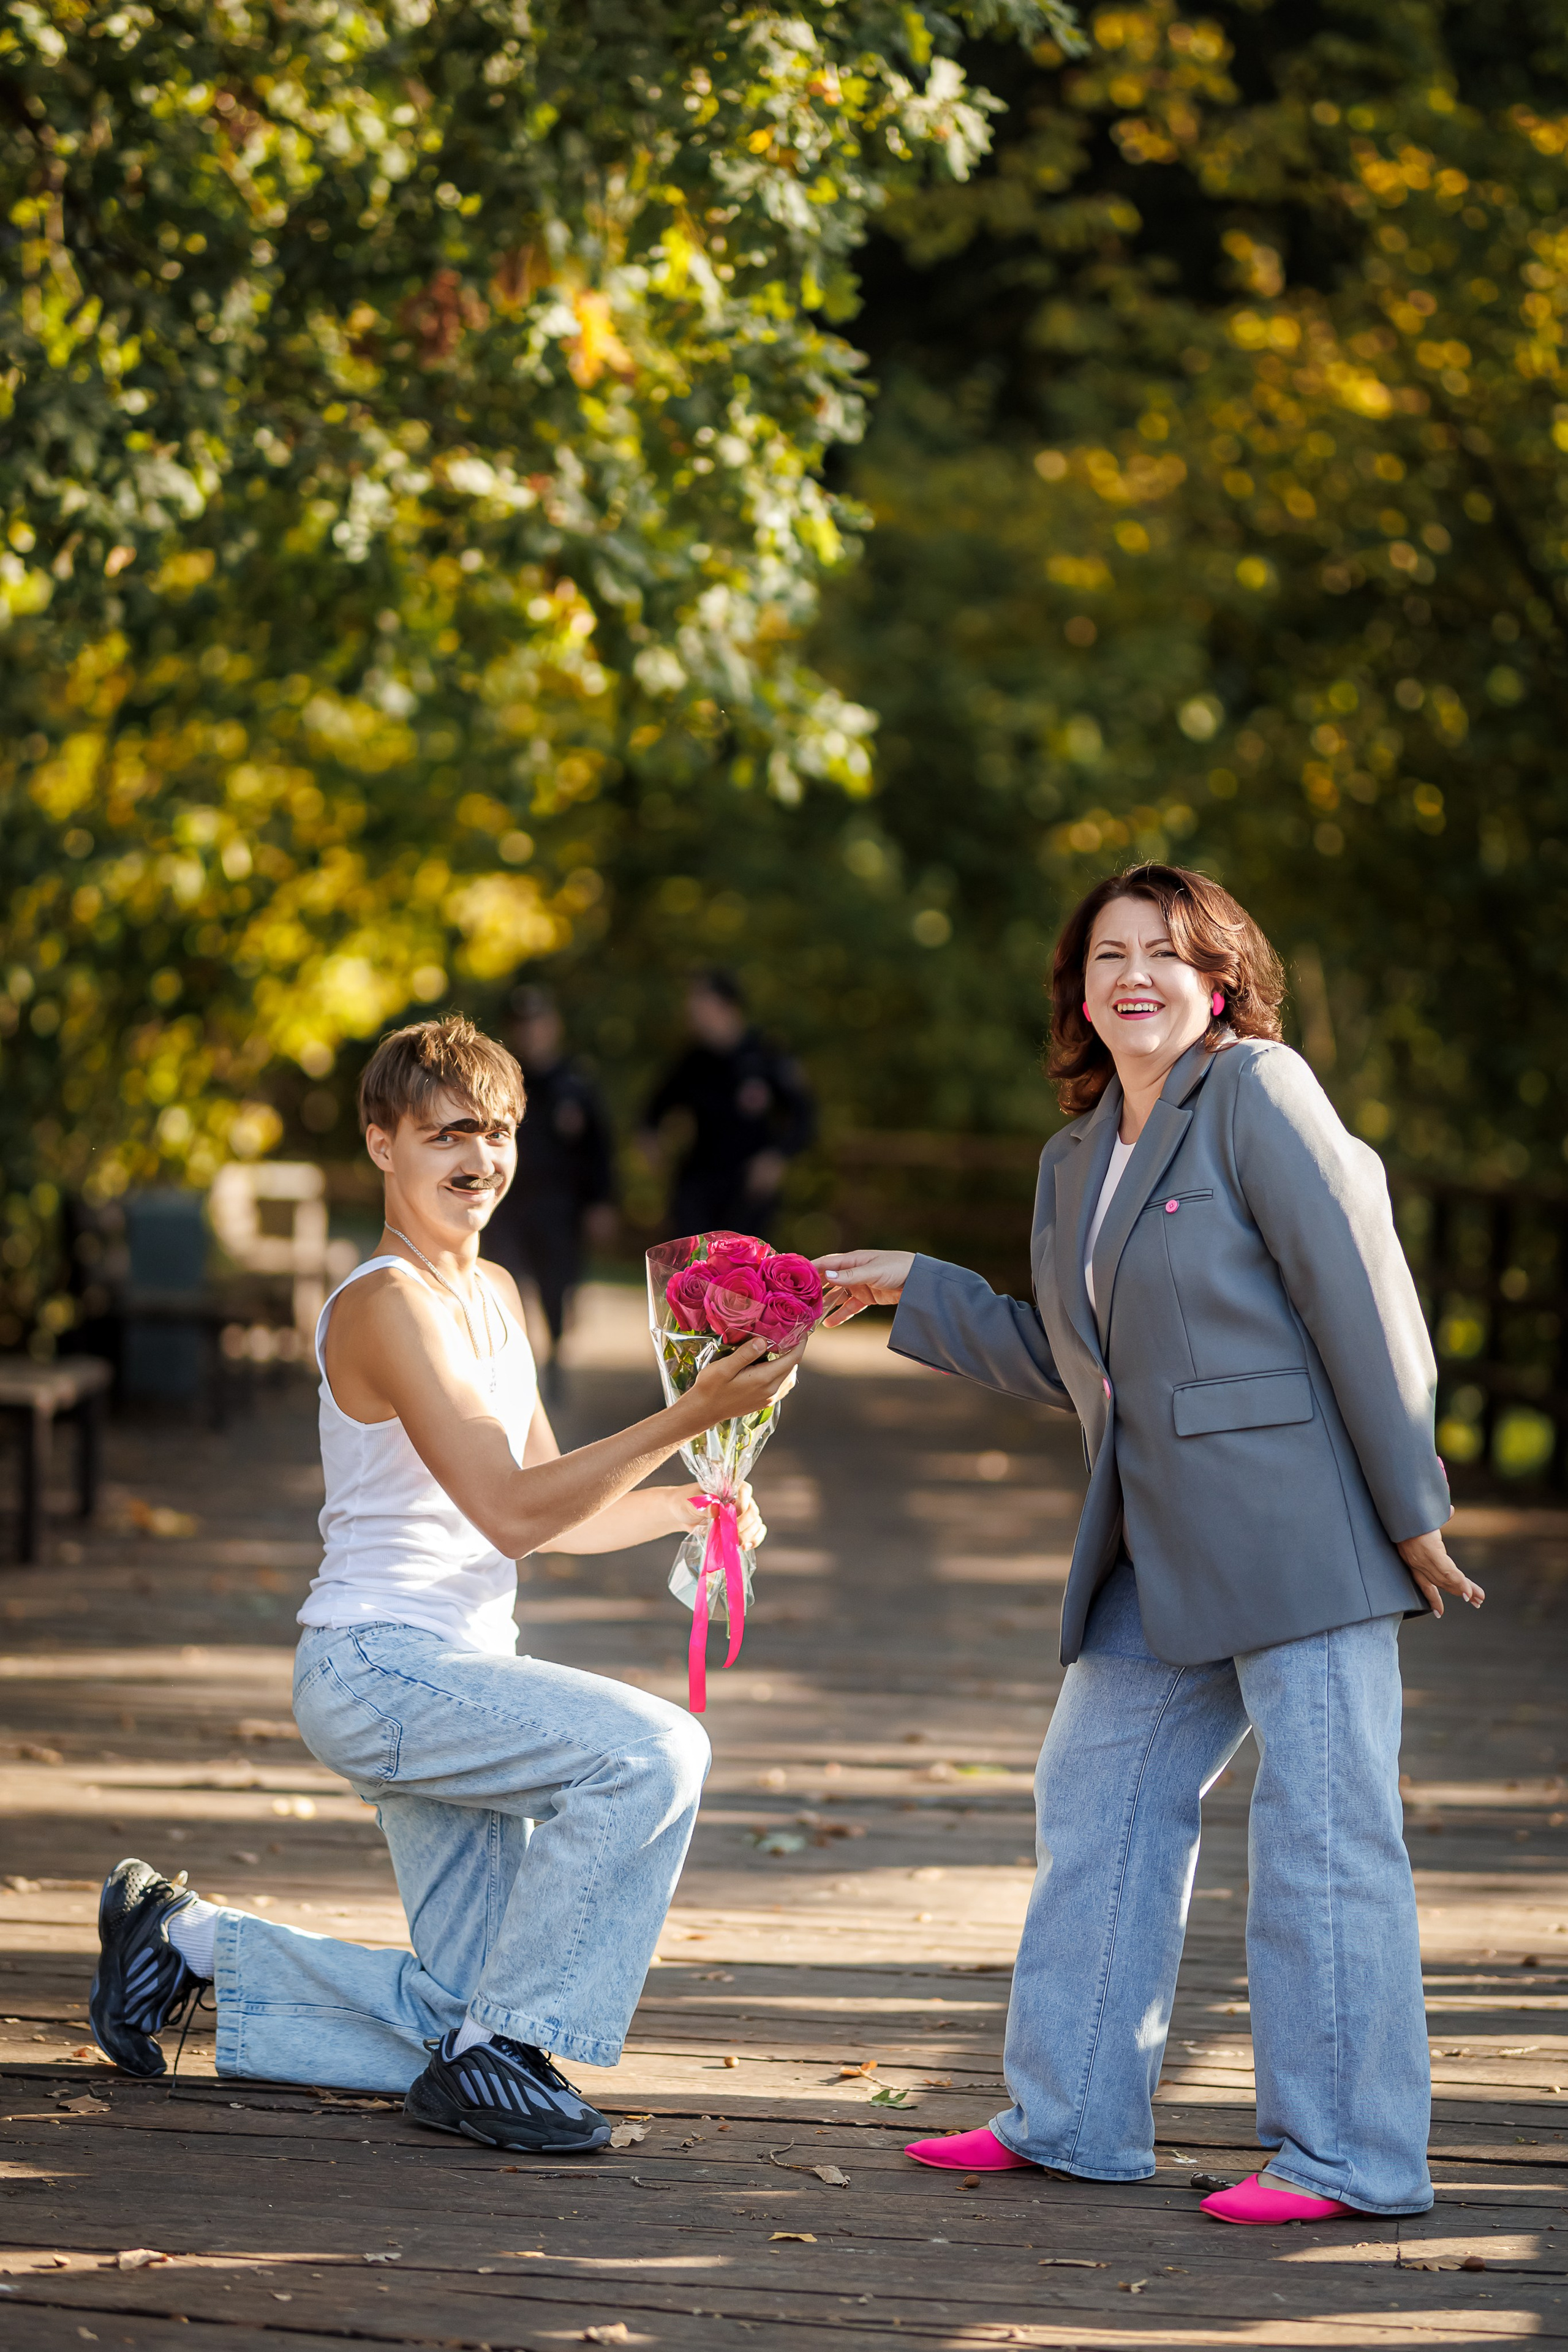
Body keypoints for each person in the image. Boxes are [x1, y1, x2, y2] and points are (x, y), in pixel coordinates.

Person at [818, 862, 1481, 2227]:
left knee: (1322, 1837)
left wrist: (1412, 1508)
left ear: (1215, 980)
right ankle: (1068, 2117)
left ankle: (1349, 2158)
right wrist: (910, 1287)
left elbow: (1363, 1293)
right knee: (1097, 1801)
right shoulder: (1074, 1158)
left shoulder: (1255, 1092)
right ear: (1076, 989)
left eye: (1163, 954)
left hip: (1303, 1532)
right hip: (1149, 1544)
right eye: (1106, 954)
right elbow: (1079, 1362)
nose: (1133, 974)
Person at [89, 1015, 802, 2152]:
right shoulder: (386, 1303)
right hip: (380, 1666)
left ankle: (186, 1943)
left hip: (460, 1672)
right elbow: (512, 1509)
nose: (481, 1159)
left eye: (502, 1131)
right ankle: (504, 2060)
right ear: (383, 1144)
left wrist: (689, 1500)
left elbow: (542, 1514)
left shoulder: (496, 1294)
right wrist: (687, 1416)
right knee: (655, 1751)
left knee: (464, 2008)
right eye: (448, 1135)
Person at [485, 984, 617, 1395]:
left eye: (538, 1024)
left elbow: (600, 1148)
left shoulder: (576, 1081)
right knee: (502, 1279)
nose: (532, 1033)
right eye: (522, 1026)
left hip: (559, 1206)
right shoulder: (497, 1081)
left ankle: (555, 1355)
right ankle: (511, 1364)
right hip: (505, 1202)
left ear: (553, 1027)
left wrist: (602, 1202)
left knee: (555, 1285)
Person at [639, 968, 815, 1240]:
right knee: (691, 1259)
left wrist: (778, 1156)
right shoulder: (692, 1060)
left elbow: (803, 1114)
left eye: (700, 1000)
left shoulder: (766, 1054)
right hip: (699, 1177)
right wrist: (649, 1135)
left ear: (727, 1005)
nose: (691, 1009)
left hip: (748, 1184)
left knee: (740, 1268)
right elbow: (656, 1105)